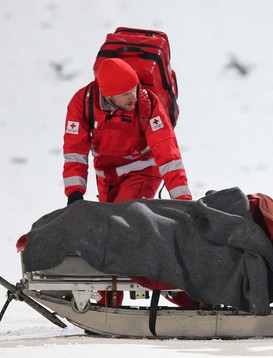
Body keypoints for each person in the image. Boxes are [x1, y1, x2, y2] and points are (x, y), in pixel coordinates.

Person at [62, 58, 192, 305]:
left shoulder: (148, 103)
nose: (133, 96)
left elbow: (169, 156)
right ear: (106, 95)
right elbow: (74, 152)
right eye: (125, 94)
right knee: (107, 235)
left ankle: (180, 293)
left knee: (119, 228)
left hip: (143, 172)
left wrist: (183, 201)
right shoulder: (82, 103)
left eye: (134, 88)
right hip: (107, 177)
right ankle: (109, 301)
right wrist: (75, 193)